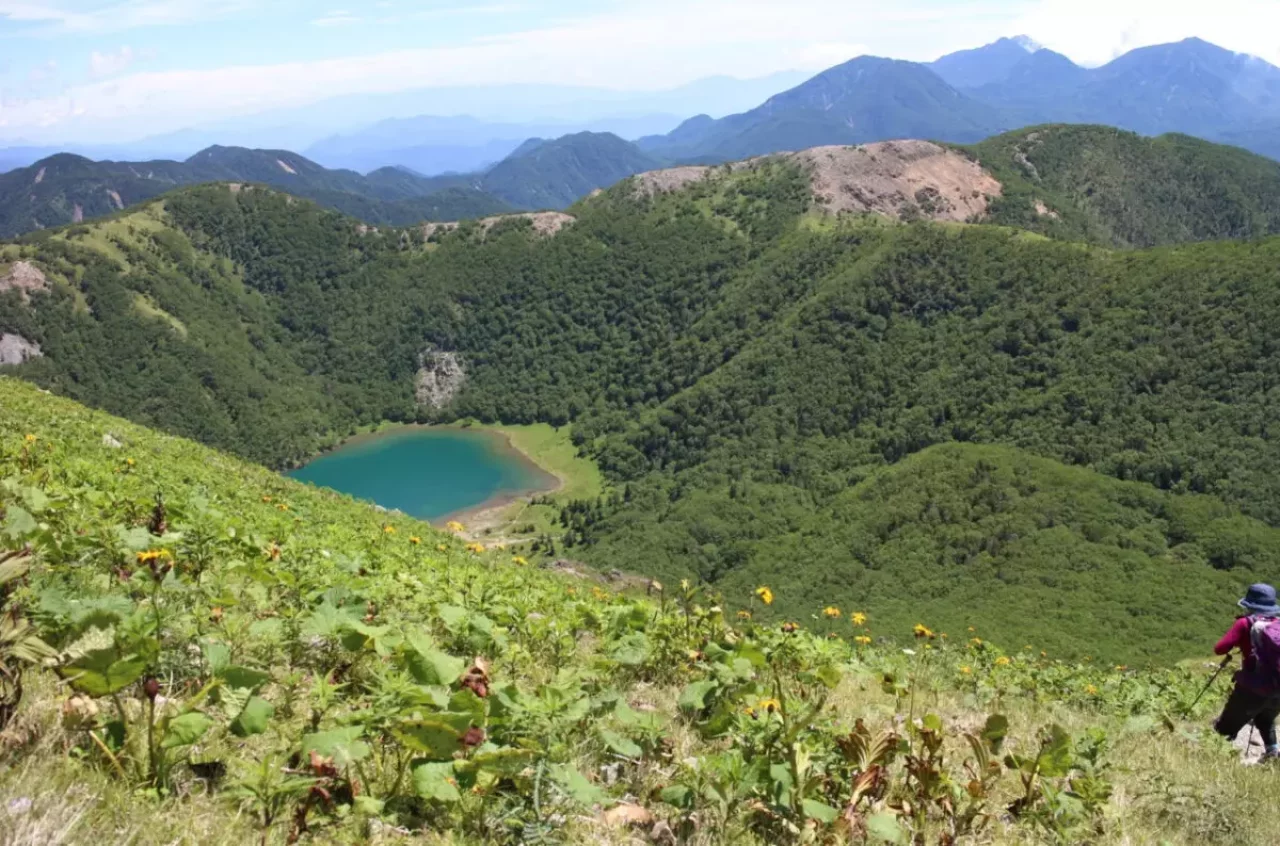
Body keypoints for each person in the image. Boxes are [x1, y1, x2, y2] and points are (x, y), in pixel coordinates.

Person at [1213, 583, 1280, 760]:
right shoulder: (1277, 624)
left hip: (1253, 688)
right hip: (1278, 688)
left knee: (1224, 728)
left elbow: (1220, 648)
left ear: (1249, 604)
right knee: (1265, 719)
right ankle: (1273, 753)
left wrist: (1241, 642)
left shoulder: (1244, 623)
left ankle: (1216, 761)